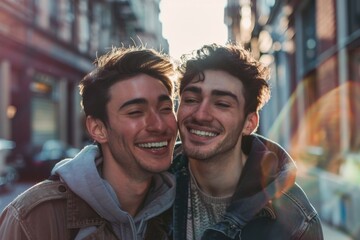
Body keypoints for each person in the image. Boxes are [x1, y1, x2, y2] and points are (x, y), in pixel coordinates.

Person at [0, 46, 178, 240]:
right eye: (135, 112)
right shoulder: (32, 219)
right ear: (98, 129)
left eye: (166, 108)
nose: (159, 125)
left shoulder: (182, 210)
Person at [170, 43, 324, 240]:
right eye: (191, 99)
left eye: (222, 104)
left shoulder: (296, 221)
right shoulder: (153, 186)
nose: (201, 115)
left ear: (249, 123)